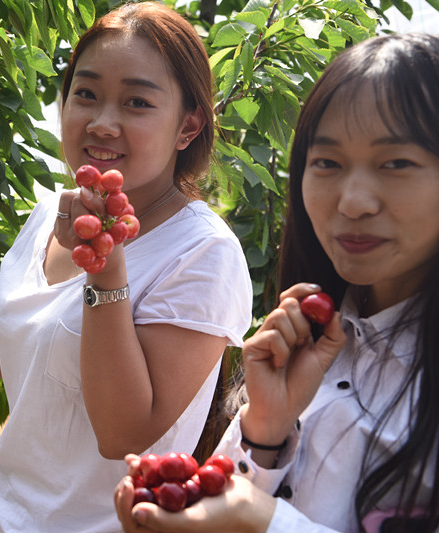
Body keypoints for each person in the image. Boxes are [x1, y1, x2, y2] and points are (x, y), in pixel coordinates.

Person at [0, 2, 252, 531]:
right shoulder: (55, 209)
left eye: (137, 102)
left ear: (187, 127)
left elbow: (125, 433)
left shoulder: (203, 253)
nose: (101, 122)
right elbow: (25, 355)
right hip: (9, 517)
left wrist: (106, 271)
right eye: (86, 93)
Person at [114, 32, 439, 532]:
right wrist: (266, 429)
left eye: (396, 163)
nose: (352, 202)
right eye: (326, 163)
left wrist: (258, 518)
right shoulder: (315, 340)